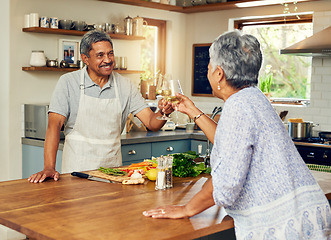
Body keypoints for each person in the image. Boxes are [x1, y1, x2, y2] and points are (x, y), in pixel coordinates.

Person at [143, 30, 331, 239]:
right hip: (307, 215)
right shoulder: (253, 98)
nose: (207, 73)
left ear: (219, 74)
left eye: (208, 68)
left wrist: (187, 209)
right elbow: (228, 143)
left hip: (285, 225)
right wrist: (193, 111)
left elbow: (227, 181)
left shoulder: (238, 108)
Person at [28, 30, 173, 183]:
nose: (108, 60)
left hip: (112, 173)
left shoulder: (125, 86)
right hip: (77, 172)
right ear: (85, 58)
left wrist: (163, 112)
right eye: (100, 55)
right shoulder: (68, 82)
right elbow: (53, 126)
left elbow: (152, 123)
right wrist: (49, 167)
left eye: (110, 54)